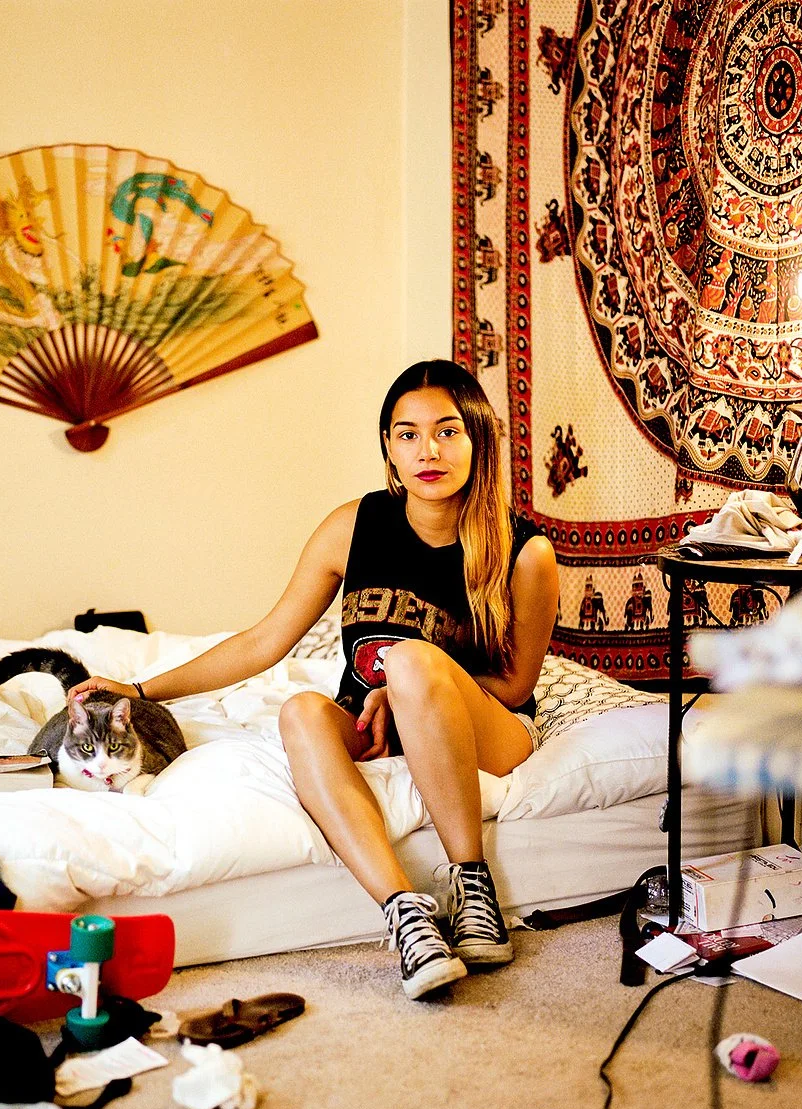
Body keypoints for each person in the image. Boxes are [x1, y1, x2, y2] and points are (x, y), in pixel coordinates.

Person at [71, 359, 558, 998]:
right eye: (406, 434)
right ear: (387, 446)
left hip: (486, 729)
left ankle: (473, 888)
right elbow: (265, 640)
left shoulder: (525, 550)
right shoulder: (354, 525)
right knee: (300, 710)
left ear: (479, 440)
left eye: (447, 431)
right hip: (371, 724)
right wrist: (139, 691)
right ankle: (406, 915)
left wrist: (412, 685)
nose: (427, 450)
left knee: (409, 660)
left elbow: (518, 683)